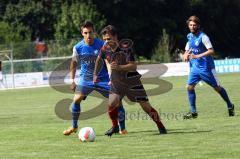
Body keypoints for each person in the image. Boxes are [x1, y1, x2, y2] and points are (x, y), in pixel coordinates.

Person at [94, 25, 167, 136]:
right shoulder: (104, 49)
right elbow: (99, 60)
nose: (106, 41)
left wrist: (119, 67)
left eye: (109, 39)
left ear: (115, 37)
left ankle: (161, 126)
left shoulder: (125, 48)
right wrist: (95, 74)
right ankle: (115, 126)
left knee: (146, 107)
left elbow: (133, 66)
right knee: (111, 104)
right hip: (117, 81)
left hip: (132, 81)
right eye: (104, 39)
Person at [63, 21, 127, 135]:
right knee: (76, 100)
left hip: (103, 78)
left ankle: (122, 128)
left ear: (94, 32)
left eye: (90, 32)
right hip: (86, 79)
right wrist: (72, 80)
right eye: (86, 33)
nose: (88, 35)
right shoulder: (77, 47)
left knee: (117, 101)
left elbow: (108, 62)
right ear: (82, 33)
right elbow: (73, 63)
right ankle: (74, 127)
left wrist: (112, 78)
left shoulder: (103, 45)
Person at [183, 15, 235, 119]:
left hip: (206, 68)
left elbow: (211, 50)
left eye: (194, 25)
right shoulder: (189, 36)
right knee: (189, 87)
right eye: (190, 25)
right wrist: (185, 54)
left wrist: (197, 55)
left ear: (198, 25)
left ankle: (230, 105)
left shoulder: (204, 37)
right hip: (195, 68)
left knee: (217, 88)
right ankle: (193, 112)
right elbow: (188, 48)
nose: (192, 27)